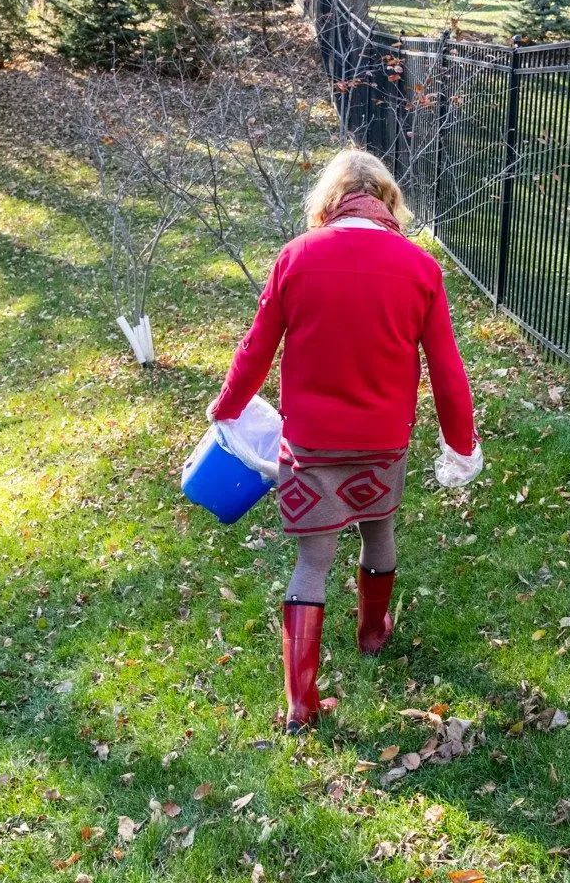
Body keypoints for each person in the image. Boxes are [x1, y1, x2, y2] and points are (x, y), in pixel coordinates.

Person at [208, 148, 481, 734]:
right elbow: (446, 366)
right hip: (382, 444)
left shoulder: (296, 258)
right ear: (387, 201)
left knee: (313, 561)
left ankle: (300, 706)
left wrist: (226, 409)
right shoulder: (419, 268)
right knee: (378, 532)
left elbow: (258, 349)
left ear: (329, 202)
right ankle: (372, 632)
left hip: (310, 448)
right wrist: (462, 442)